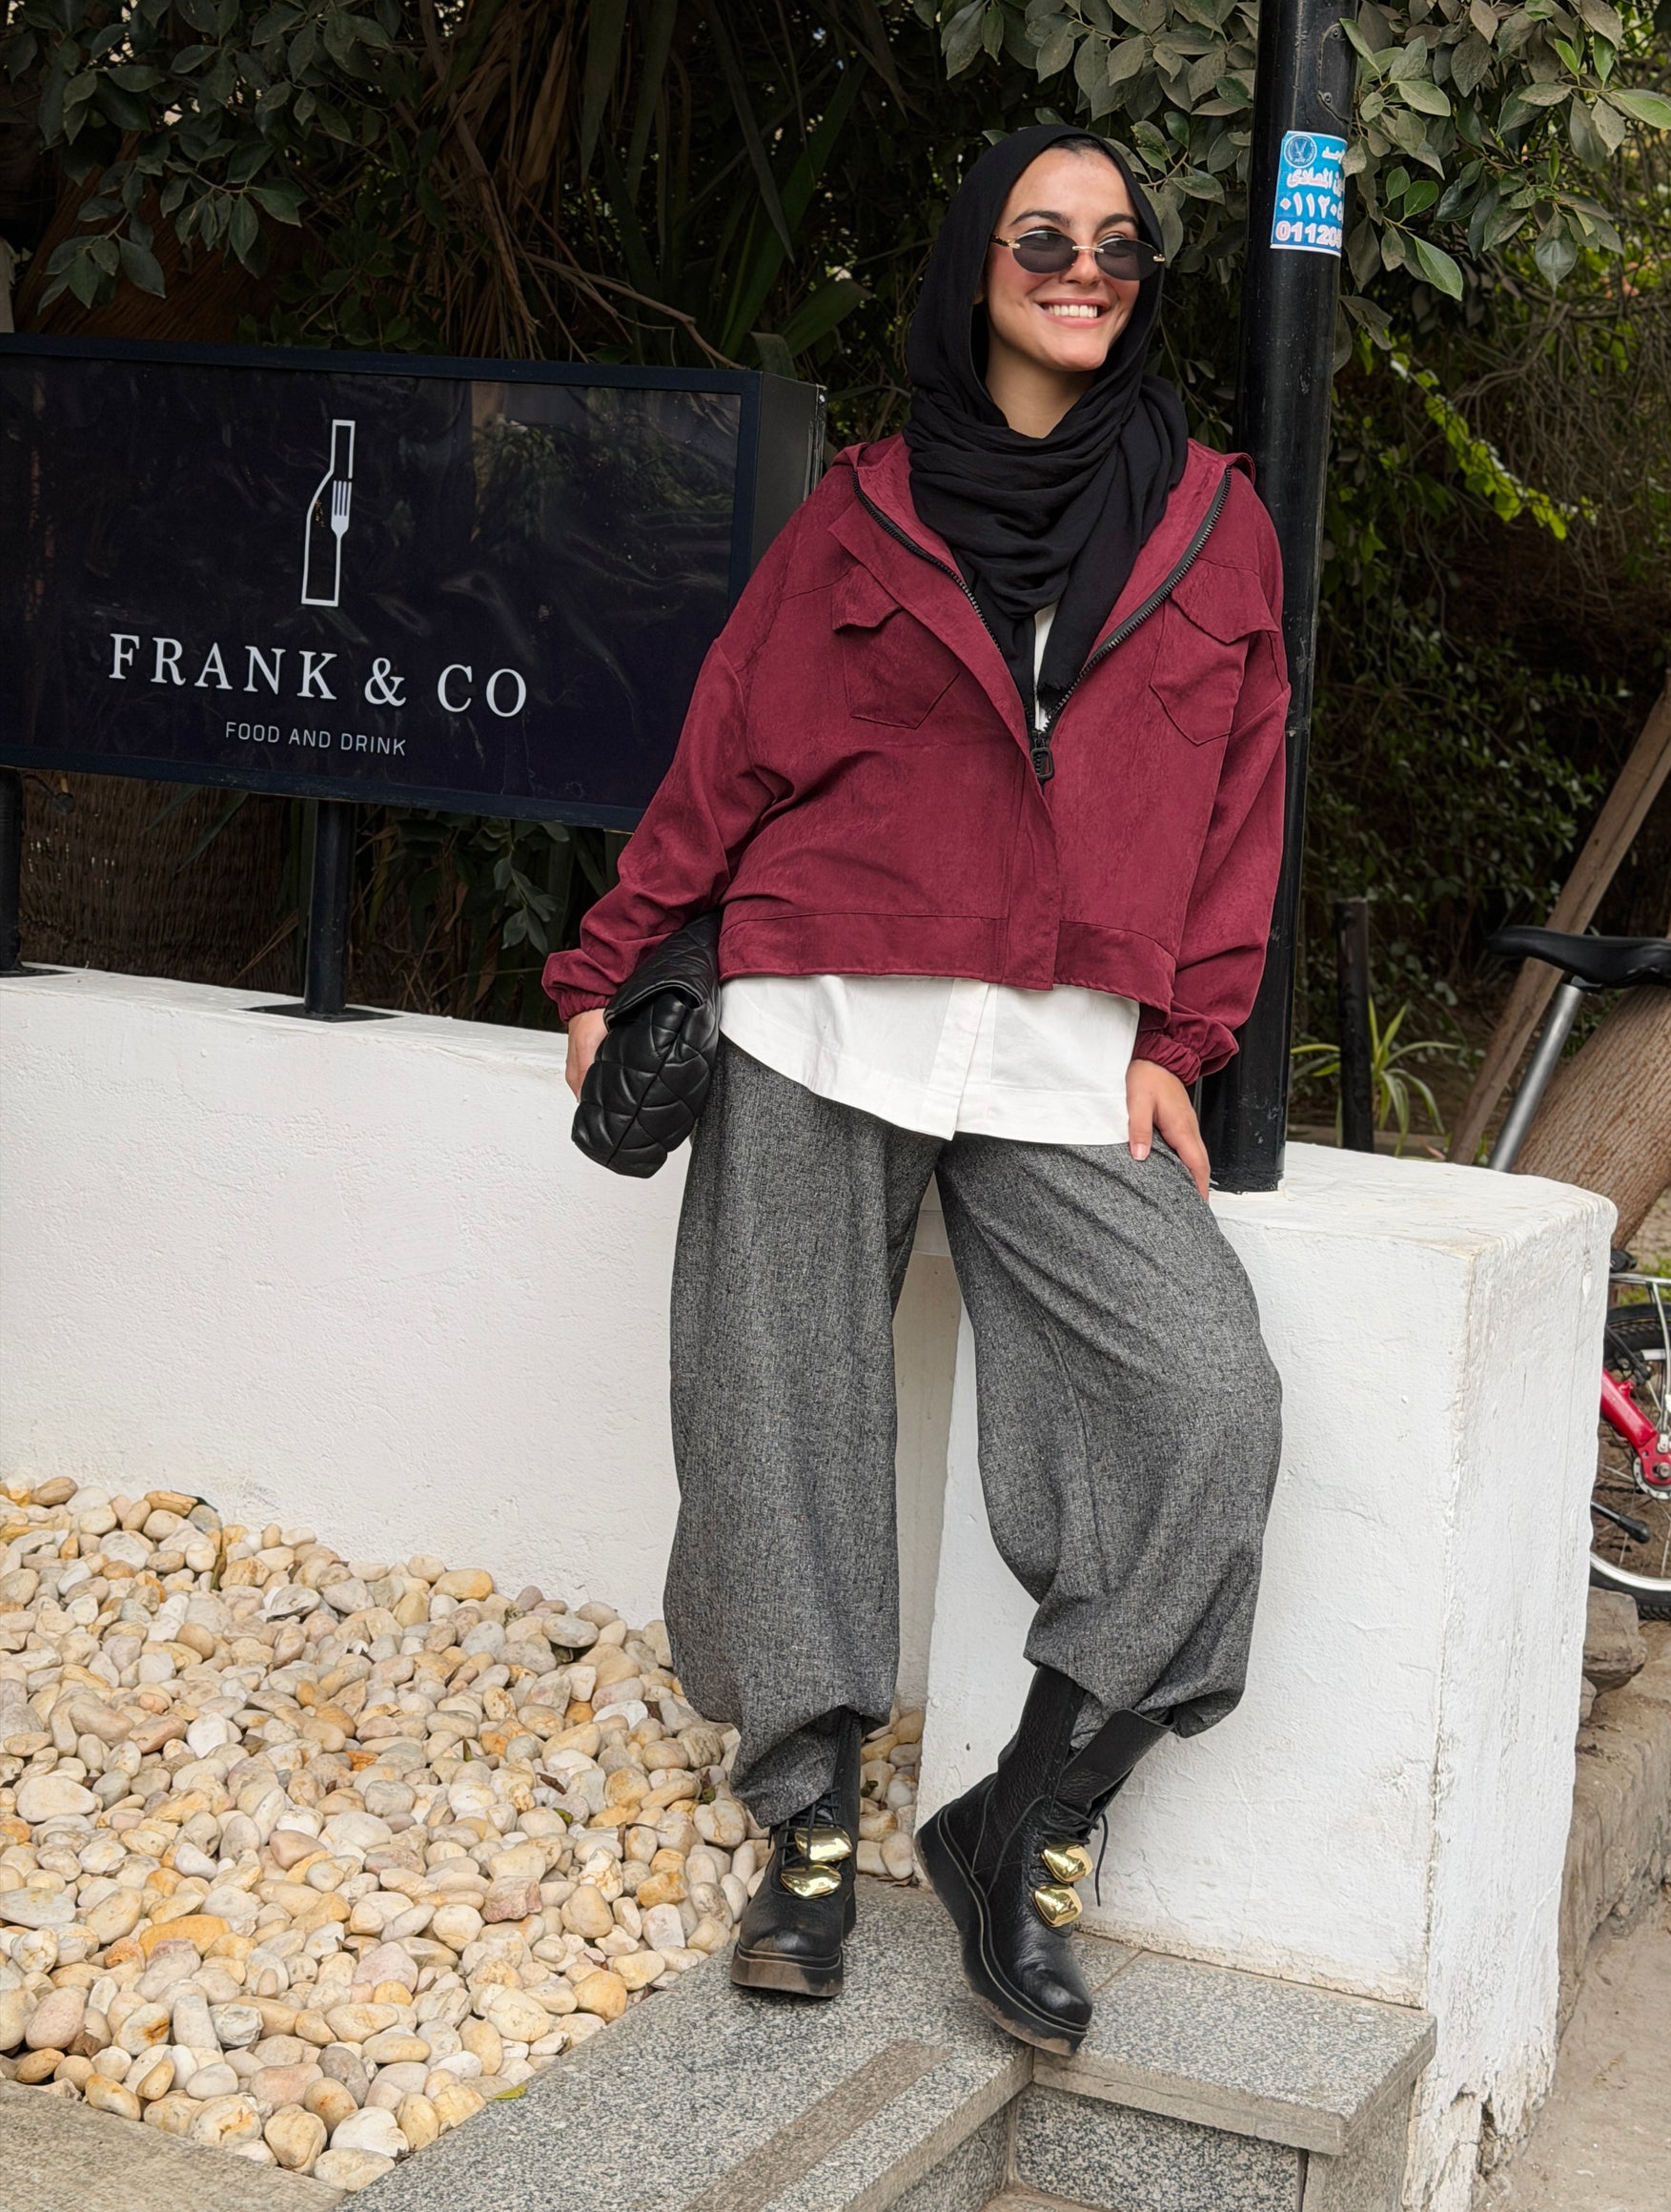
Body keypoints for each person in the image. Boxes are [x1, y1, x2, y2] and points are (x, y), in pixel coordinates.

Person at [543, 124, 1288, 2057]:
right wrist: (609, 958)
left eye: (1116, 242)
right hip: (818, 1008)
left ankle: (1024, 1810)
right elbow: (726, 748)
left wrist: (1180, 1045)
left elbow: (1238, 810)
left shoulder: (1211, 521)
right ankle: (802, 1817)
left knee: (1202, 1395)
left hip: (1060, 1050)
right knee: (774, 1404)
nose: (1083, 266)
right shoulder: (860, 512)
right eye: (1042, 237)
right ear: (975, 267)